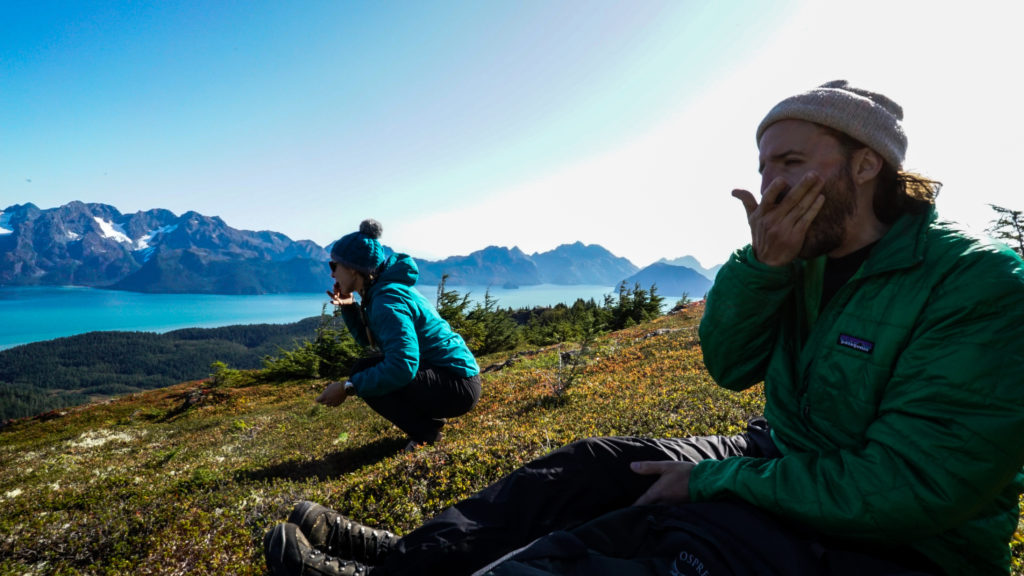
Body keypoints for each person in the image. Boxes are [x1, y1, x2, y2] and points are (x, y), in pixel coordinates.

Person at [264, 81, 1024, 576]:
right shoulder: (802, 258)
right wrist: (765, 269)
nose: (771, 186)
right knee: (594, 467)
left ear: (866, 167)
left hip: (907, 548)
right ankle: (404, 563)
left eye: (791, 161)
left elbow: (912, 489)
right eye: (763, 169)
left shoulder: (976, 283)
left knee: (640, 549)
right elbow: (729, 362)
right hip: (780, 456)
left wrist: (719, 479)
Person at [315, 219, 481, 451]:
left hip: (458, 386)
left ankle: (426, 433)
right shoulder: (380, 292)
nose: (332, 275)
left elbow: (403, 366)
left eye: (334, 266)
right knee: (364, 369)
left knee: (363, 375)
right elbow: (371, 341)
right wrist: (348, 307)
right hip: (451, 378)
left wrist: (347, 388)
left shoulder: (386, 301)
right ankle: (428, 423)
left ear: (353, 268)